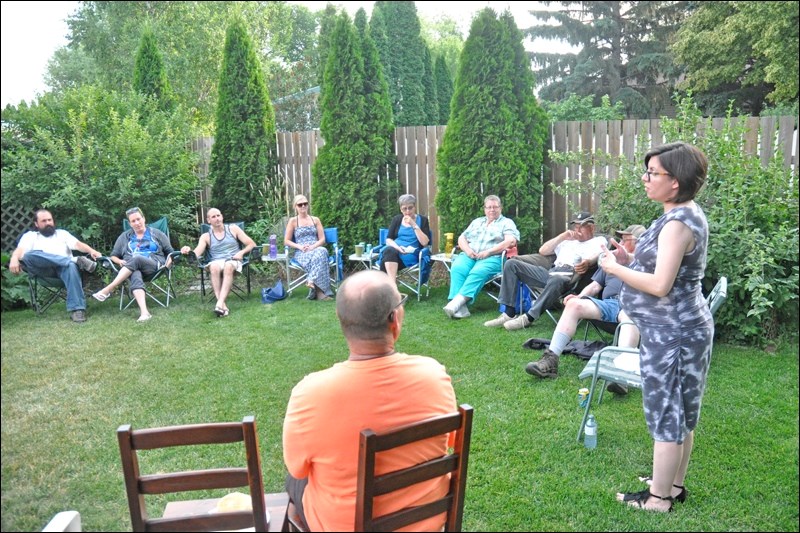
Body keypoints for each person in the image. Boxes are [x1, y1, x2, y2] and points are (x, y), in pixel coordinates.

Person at [282, 270, 457, 531]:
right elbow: (450, 440)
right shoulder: (434, 375)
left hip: (343, 525)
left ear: (341, 320)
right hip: (425, 522)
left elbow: (298, 469)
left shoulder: (309, 394)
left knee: (294, 481)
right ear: (394, 319)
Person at [600, 142, 712, 512]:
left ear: (675, 182)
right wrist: (629, 258)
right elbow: (663, 269)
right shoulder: (679, 215)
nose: (645, 179)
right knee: (680, 411)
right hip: (679, 328)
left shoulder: (678, 224)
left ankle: (659, 498)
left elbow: (661, 285)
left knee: (668, 412)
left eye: (653, 173)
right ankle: (672, 485)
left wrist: (615, 270)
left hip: (674, 333)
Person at [524, 224, 645, 391]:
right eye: (621, 239)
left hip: (633, 308)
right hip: (609, 305)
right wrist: (579, 296)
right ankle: (550, 360)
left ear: (640, 242)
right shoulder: (611, 260)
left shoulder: (647, 262)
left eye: (626, 239)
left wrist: (631, 259)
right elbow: (595, 286)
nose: (621, 243)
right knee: (574, 304)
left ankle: (620, 374)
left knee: (629, 315)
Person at [483, 211, 607, 330]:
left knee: (557, 279)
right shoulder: (568, 242)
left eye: (582, 227)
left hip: (570, 277)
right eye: (576, 227)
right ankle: (509, 313)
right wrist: (563, 236)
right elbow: (543, 251)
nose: (577, 230)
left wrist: (588, 262)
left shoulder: (598, 240)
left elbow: (600, 253)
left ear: (592, 228)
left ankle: (528, 318)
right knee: (511, 264)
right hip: (550, 272)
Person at [9, 209, 102, 323]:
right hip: (44, 272)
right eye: (44, 221)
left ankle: (78, 310)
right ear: (36, 224)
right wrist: (14, 258)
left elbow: (78, 245)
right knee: (28, 255)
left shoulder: (62, 234)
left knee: (71, 266)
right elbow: (20, 250)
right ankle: (74, 260)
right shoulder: (30, 236)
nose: (48, 223)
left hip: (65, 271)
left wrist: (92, 251)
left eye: (50, 220)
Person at [91, 207, 175, 322]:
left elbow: (171, 252)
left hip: (154, 266)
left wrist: (167, 265)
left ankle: (108, 289)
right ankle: (144, 312)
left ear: (143, 219)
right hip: (131, 268)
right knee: (135, 273)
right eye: (133, 221)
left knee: (137, 259)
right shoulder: (124, 237)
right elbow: (114, 256)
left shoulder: (157, 234)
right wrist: (119, 261)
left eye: (138, 219)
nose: (137, 223)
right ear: (130, 224)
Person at [443, 195, 519, 319]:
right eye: (489, 207)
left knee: (477, 272)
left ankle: (455, 303)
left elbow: (510, 241)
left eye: (495, 207)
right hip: (470, 255)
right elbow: (462, 238)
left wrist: (489, 252)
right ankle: (461, 308)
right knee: (457, 268)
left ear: (501, 208)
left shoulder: (506, 222)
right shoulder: (477, 222)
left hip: (493, 257)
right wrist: (467, 251)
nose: (492, 210)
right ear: (484, 209)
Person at [180, 208, 256, 317]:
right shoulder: (206, 236)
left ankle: (219, 303)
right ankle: (221, 304)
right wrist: (187, 250)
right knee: (214, 266)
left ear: (222, 216)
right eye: (213, 217)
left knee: (228, 266)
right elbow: (196, 253)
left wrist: (241, 253)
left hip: (233, 260)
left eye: (218, 215)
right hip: (216, 262)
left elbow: (251, 244)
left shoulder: (233, 229)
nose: (217, 219)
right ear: (208, 220)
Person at [284, 194, 333, 300]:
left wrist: (313, 246)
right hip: (301, 253)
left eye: (305, 204)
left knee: (321, 251)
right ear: (295, 207)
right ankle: (320, 293)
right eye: (300, 204)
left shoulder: (315, 220)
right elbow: (286, 241)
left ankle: (311, 280)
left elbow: (322, 239)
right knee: (321, 256)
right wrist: (300, 247)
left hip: (315, 248)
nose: (303, 206)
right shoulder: (293, 221)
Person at [378, 194, 431, 284]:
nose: (407, 211)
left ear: (415, 207)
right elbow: (389, 239)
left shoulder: (423, 220)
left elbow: (425, 242)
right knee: (390, 250)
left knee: (385, 259)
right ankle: (392, 286)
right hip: (393, 252)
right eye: (404, 209)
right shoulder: (397, 219)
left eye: (410, 208)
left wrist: (413, 224)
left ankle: (388, 288)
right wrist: (398, 248)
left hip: (409, 255)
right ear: (400, 209)